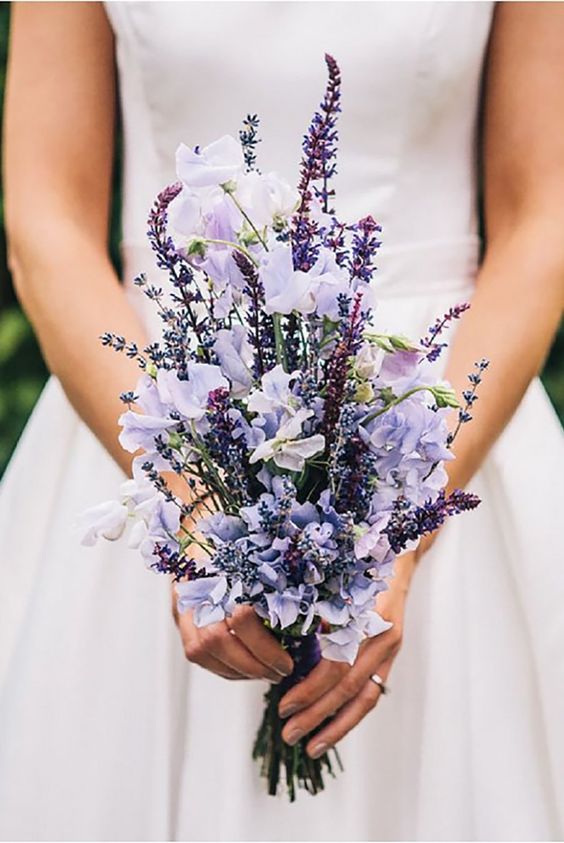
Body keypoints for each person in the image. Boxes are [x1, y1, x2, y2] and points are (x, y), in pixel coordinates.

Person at [1, 2, 563, 840]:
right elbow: (46, 221)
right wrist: (196, 503)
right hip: (155, 406)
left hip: (433, 415)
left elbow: (541, 222)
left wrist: (396, 531)